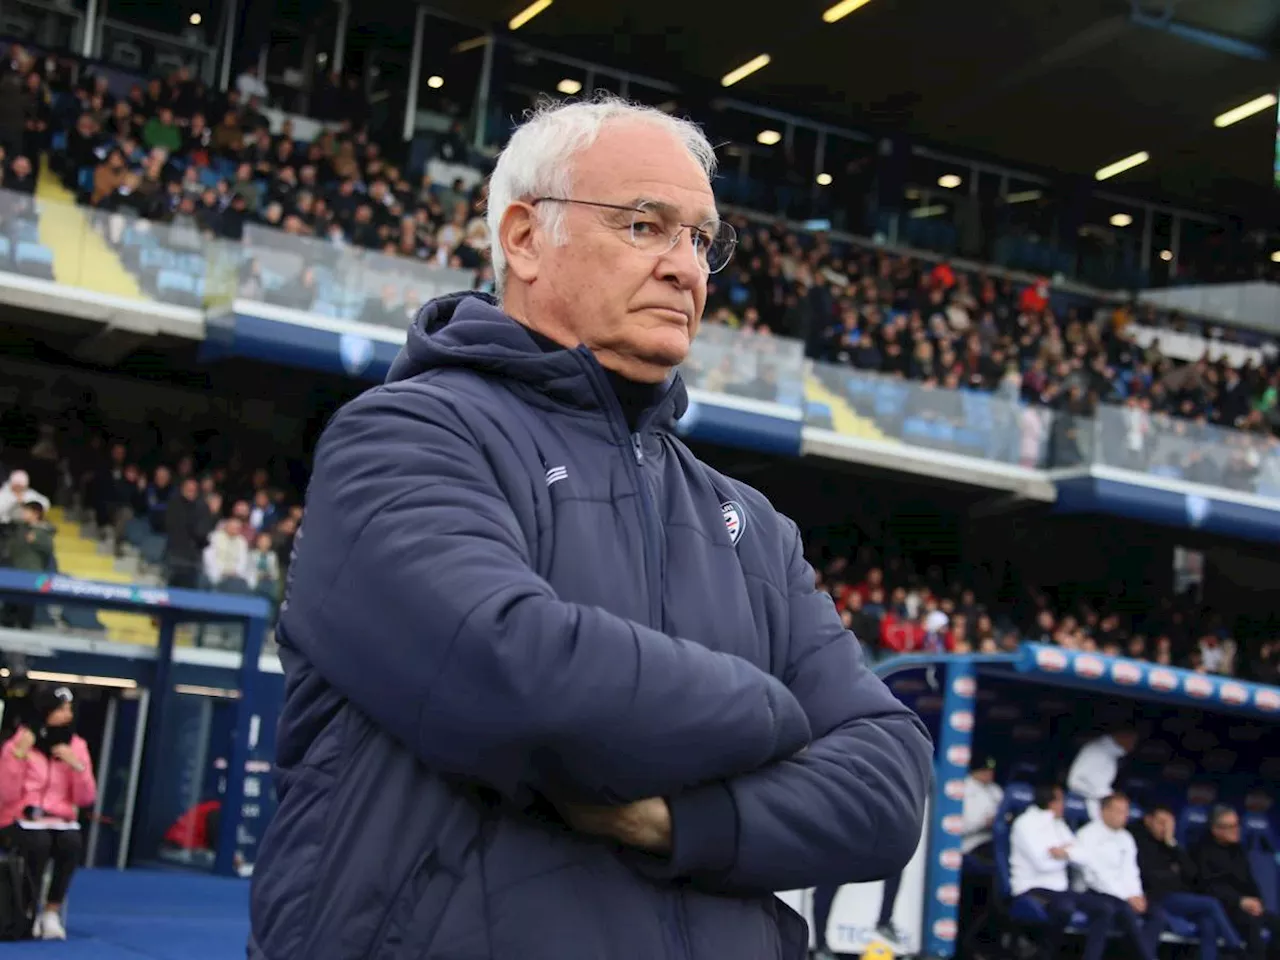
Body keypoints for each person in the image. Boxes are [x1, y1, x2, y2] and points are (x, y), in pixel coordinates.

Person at [248, 97, 933, 960]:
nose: (687, 268)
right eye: (647, 225)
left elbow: (889, 781)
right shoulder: (402, 437)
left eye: (701, 240)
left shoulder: (752, 527)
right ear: (526, 237)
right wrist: (777, 712)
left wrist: (690, 819)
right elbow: (514, 675)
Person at [0, 685, 96, 941]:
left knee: (71, 843)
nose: (67, 714)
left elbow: (86, 798)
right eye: (61, 709)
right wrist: (17, 756)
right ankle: (27, 909)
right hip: (18, 818)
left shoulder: (76, 745)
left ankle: (51, 911)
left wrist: (78, 767)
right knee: (38, 843)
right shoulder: (19, 743)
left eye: (69, 709)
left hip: (59, 820)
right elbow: (5, 795)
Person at [1009, 784, 1130, 960]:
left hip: (1060, 890)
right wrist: (1068, 855)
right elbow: (1042, 864)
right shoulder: (1025, 823)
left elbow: (1084, 856)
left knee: (1104, 908)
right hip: (1032, 887)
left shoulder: (1058, 824)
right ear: (1051, 802)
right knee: (1065, 908)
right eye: (1061, 801)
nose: (1064, 805)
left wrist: (1063, 854)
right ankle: (1042, 954)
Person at [1132, 804, 1245, 960]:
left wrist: (1171, 843)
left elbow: (1191, 874)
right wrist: (1173, 875)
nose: (1165, 828)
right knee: (1210, 904)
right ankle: (1235, 946)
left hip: (1181, 899)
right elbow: (1151, 878)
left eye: (1169, 823)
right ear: (1148, 820)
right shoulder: (1140, 843)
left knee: (1208, 922)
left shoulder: (1170, 845)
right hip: (1158, 898)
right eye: (1161, 822)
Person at [1072, 794, 1157, 960]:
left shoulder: (1126, 838)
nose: (1124, 816)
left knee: (1156, 914)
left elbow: (1131, 871)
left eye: (1126, 811)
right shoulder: (1087, 835)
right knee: (1121, 912)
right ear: (1104, 811)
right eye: (1119, 811)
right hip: (1093, 892)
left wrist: (1136, 894)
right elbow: (1093, 875)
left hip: (1121, 895)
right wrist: (1127, 897)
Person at [1194, 805, 1280, 960]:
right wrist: (1240, 901)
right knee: (1252, 929)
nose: (1236, 830)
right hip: (1223, 907)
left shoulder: (1238, 850)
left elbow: (1249, 881)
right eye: (1230, 827)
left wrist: (1258, 902)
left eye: (1237, 825)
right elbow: (1208, 886)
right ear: (1215, 829)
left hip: (1247, 905)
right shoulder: (1202, 851)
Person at [1066, 728, 1138, 820]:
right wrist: (1106, 795)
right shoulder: (1097, 750)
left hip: (1101, 796)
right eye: (1132, 741)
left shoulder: (1112, 752)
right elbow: (1076, 781)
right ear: (1123, 736)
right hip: (1087, 796)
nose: (1133, 746)